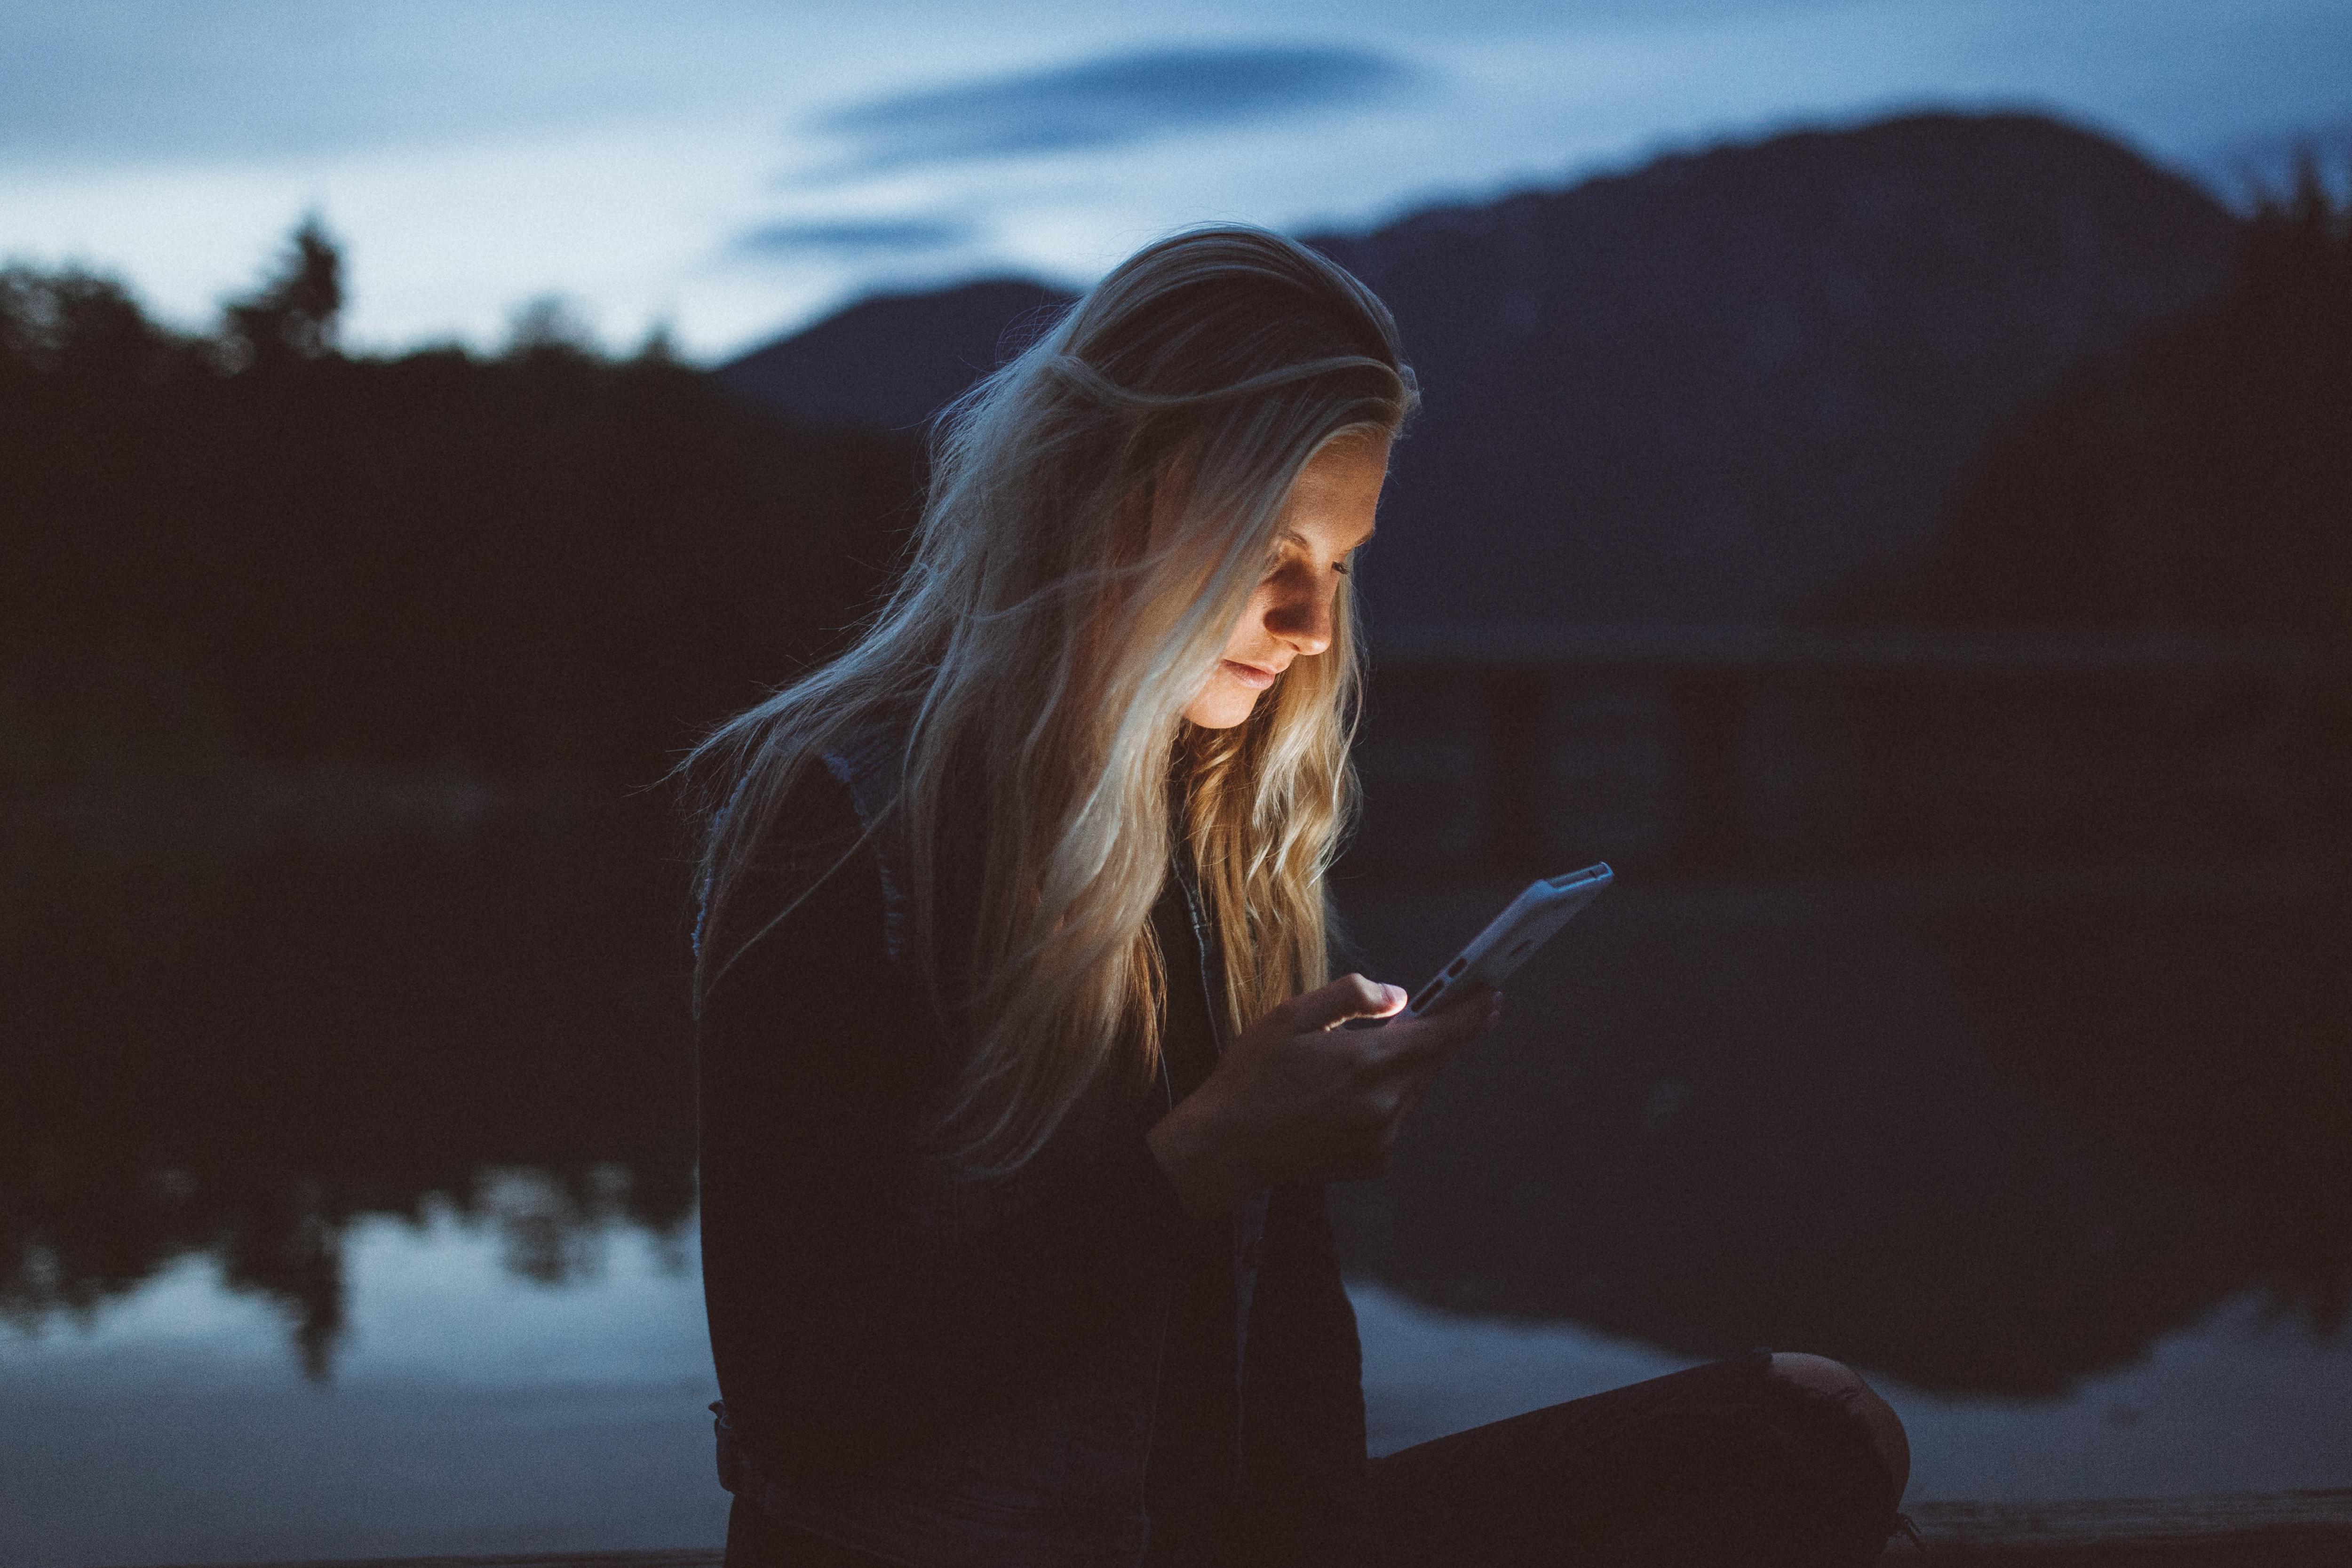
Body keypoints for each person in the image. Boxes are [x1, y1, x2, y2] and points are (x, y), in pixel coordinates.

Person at [684, 226, 1910, 1568]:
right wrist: (1212, 1157)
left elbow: (1292, 1360)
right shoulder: (846, 823)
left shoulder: (1210, 819)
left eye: (1337, 563)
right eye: (1271, 547)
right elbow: (812, 1411)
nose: (1312, 626)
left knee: (1816, 1424)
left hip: (1226, 1533)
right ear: (1109, 501)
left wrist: (1281, 1150)